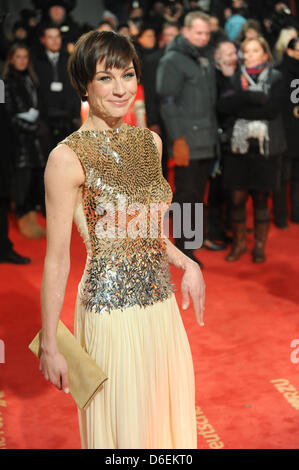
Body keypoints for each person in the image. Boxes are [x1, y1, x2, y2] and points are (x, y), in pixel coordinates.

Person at [38, 30, 205, 449]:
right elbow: (57, 260)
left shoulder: (150, 142)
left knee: (162, 423)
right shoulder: (65, 158)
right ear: (84, 85)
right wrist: (50, 346)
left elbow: (145, 234)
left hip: (160, 306)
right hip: (110, 313)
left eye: (127, 75)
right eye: (105, 78)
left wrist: (188, 263)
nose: (121, 88)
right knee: (124, 433)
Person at [157, 11, 224, 268]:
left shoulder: (203, 57)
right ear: (185, 32)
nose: (204, 37)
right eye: (198, 32)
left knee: (197, 195)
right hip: (186, 140)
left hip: (206, 138)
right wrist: (178, 139)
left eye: (207, 33)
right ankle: (184, 249)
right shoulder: (173, 60)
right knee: (186, 195)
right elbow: (167, 104)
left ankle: (191, 245)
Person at [217, 36, 287, 262]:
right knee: (236, 199)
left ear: (265, 55)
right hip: (238, 149)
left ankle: (259, 246)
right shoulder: (234, 77)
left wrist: (241, 107)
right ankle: (238, 245)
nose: (248, 56)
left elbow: (272, 110)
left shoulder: (276, 77)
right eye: (245, 52)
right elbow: (223, 106)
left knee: (260, 198)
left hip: (266, 148)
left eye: (254, 51)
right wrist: (250, 98)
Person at [3, 43, 47, 238]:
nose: (22, 60)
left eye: (25, 57)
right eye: (18, 57)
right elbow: (6, 115)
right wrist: (30, 127)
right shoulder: (3, 83)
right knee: (21, 181)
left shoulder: (32, 79)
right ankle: (23, 219)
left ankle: (31, 217)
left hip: (34, 140)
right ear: (11, 59)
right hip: (16, 141)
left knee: (34, 180)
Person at [31, 23, 81, 149]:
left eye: (57, 36)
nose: (55, 41)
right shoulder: (36, 62)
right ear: (43, 40)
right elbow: (35, 90)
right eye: (50, 37)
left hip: (68, 118)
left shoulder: (69, 59)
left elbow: (76, 87)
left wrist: (76, 114)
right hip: (46, 119)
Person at [274, 37, 299, 225]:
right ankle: (281, 216)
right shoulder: (279, 73)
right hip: (284, 133)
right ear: (290, 51)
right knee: (282, 178)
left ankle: (296, 214)